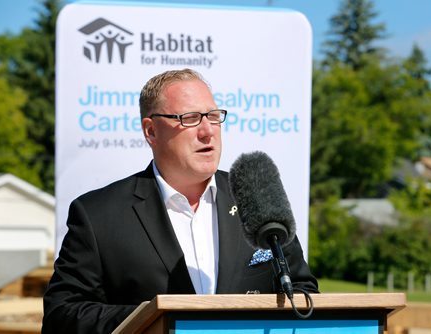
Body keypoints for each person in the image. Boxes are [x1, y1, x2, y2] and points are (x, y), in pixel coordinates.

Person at [42, 69, 318, 333]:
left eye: (213, 116)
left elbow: (303, 293)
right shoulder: (98, 215)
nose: (207, 131)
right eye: (190, 118)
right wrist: (158, 318)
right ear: (151, 131)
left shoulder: (255, 197)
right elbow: (62, 315)